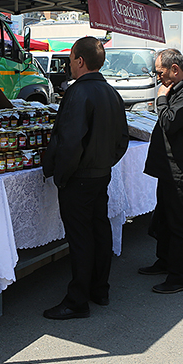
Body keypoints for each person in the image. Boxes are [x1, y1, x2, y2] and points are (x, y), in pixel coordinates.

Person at [41, 37, 128, 320]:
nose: (69, 66)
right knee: (99, 232)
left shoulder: (79, 93)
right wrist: (103, 163)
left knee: (81, 238)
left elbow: (69, 142)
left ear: (79, 61)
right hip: (100, 174)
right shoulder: (111, 93)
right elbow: (121, 141)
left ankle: (78, 300)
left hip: (80, 177)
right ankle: (99, 289)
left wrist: (61, 175)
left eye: (70, 60)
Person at [139, 48, 183, 294]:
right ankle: (165, 261)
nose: (159, 78)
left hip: (179, 168)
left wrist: (160, 98)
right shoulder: (179, 89)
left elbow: (169, 122)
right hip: (169, 167)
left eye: (161, 72)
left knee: (179, 223)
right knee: (165, 217)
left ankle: (180, 276)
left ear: (174, 69)